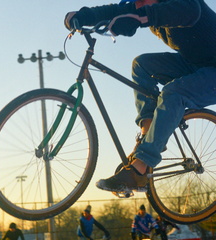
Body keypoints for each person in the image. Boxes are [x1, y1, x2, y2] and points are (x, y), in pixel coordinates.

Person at [64, 0, 216, 193]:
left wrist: (138, 19)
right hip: (195, 63)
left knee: (174, 92)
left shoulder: (181, 4)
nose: (139, 4)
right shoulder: (140, 6)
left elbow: (181, 11)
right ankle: (148, 133)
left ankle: (141, 168)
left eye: (143, 1)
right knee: (141, 65)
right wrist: (82, 16)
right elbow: (117, 10)